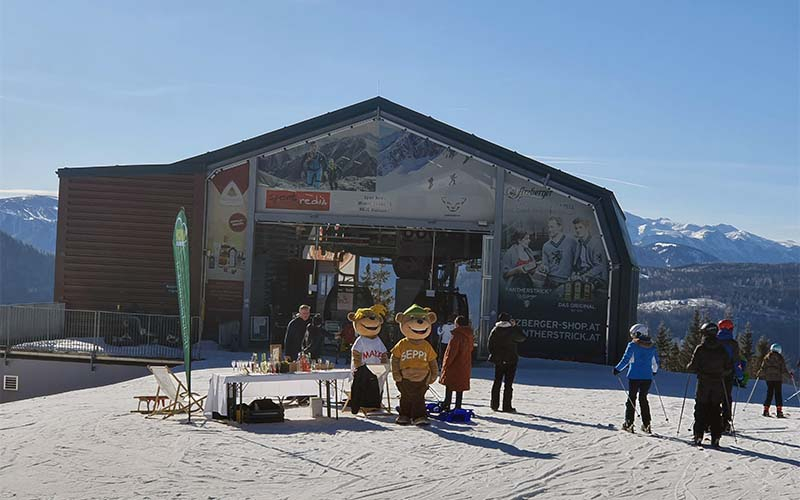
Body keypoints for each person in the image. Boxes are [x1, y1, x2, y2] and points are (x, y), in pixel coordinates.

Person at [687, 322, 732, 448]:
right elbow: (728, 367)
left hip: (703, 383)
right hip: (718, 383)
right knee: (716, 409)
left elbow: (693, 366)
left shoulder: (701, 348)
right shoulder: (721, 349)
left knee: (700, 408)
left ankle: (698, 435)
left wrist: (691, 367)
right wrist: (721, 372)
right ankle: (716, 437)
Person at [613, 323, 659, 433]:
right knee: (643, 399)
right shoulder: (652, 346)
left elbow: (626, 359)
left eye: (633, 334)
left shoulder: (632, 346)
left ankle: (629, 423)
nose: (632, 337)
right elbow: (655, 363)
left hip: (634, 376)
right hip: (647, 377)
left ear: (638, 333)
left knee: (631, 398)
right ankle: (647, 424)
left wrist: (617, 369)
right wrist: (654, 372)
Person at [488, 312, 527, 412]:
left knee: (497, 382)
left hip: (499, 361)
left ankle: (494, 405)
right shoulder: (512, 331)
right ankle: (507, 406)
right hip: (511, 360)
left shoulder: (495, 330)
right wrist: (515, 327)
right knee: (508, 385)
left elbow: (490, 345)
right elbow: (522, 338)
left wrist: (496, 355)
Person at [439, 316, 474, 412]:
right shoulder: (469, 335)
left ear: (457, 323)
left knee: (449, 384)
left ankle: (447, 403)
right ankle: (458, 406)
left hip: (454, 365)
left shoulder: (456, 336)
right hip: (465, 363)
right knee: (460, 386)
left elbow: (451, 352)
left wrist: (446, 364)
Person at [716, 319, 742, 432]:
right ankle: (725, 422)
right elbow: (737, 361)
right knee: (727, 398)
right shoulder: (733, 344)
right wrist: (740, 375)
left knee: (714, 397)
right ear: (730, 329)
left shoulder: (713, 341)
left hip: (713, 374)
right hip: (727, 374)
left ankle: (710, 420)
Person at [756, 343, 793, 418]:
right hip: (777, 379)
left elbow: (763, 368)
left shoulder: (767, 357)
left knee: (769, 393)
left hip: (769, 379)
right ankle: (779, 411)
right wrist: (789, 376)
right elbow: (783, 369)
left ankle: (766, 410)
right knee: (778, 394)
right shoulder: (780, 358)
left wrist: (759, 374)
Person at [540, 217, 577, 288]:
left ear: (560, 227)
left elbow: (577, 262)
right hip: (550, 282)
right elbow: (546, 265)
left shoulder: (571, 242)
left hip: (567, 283)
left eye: (552, 227)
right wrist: (543, 268)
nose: (549, 230)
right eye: (548, 227)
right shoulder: (546, 246)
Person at [571, 217, 608, 285]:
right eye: (576, 228)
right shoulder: (579, 243)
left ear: (587, 228)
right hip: (582, 275)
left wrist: (583, 276)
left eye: (580, 227)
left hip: (596, 279)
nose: (578, 230)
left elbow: (599, 267)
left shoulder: (596, 244)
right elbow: (576, 264)